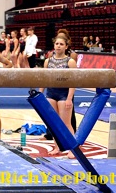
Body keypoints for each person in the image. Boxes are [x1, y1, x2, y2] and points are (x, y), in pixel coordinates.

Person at [38, 29, 77, 158]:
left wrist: (69, 99)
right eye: (57, 44)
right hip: (51, 93)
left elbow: (74, 82)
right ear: (54, 45)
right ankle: (57, 147)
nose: (58, 46)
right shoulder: (48, 61)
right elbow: (43, 79)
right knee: (54, 123)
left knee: (66, 124)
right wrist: (40, 94)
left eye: (61, 44)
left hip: (63, 94)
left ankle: (73, 149)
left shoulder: (70, 62)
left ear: (66, 46)